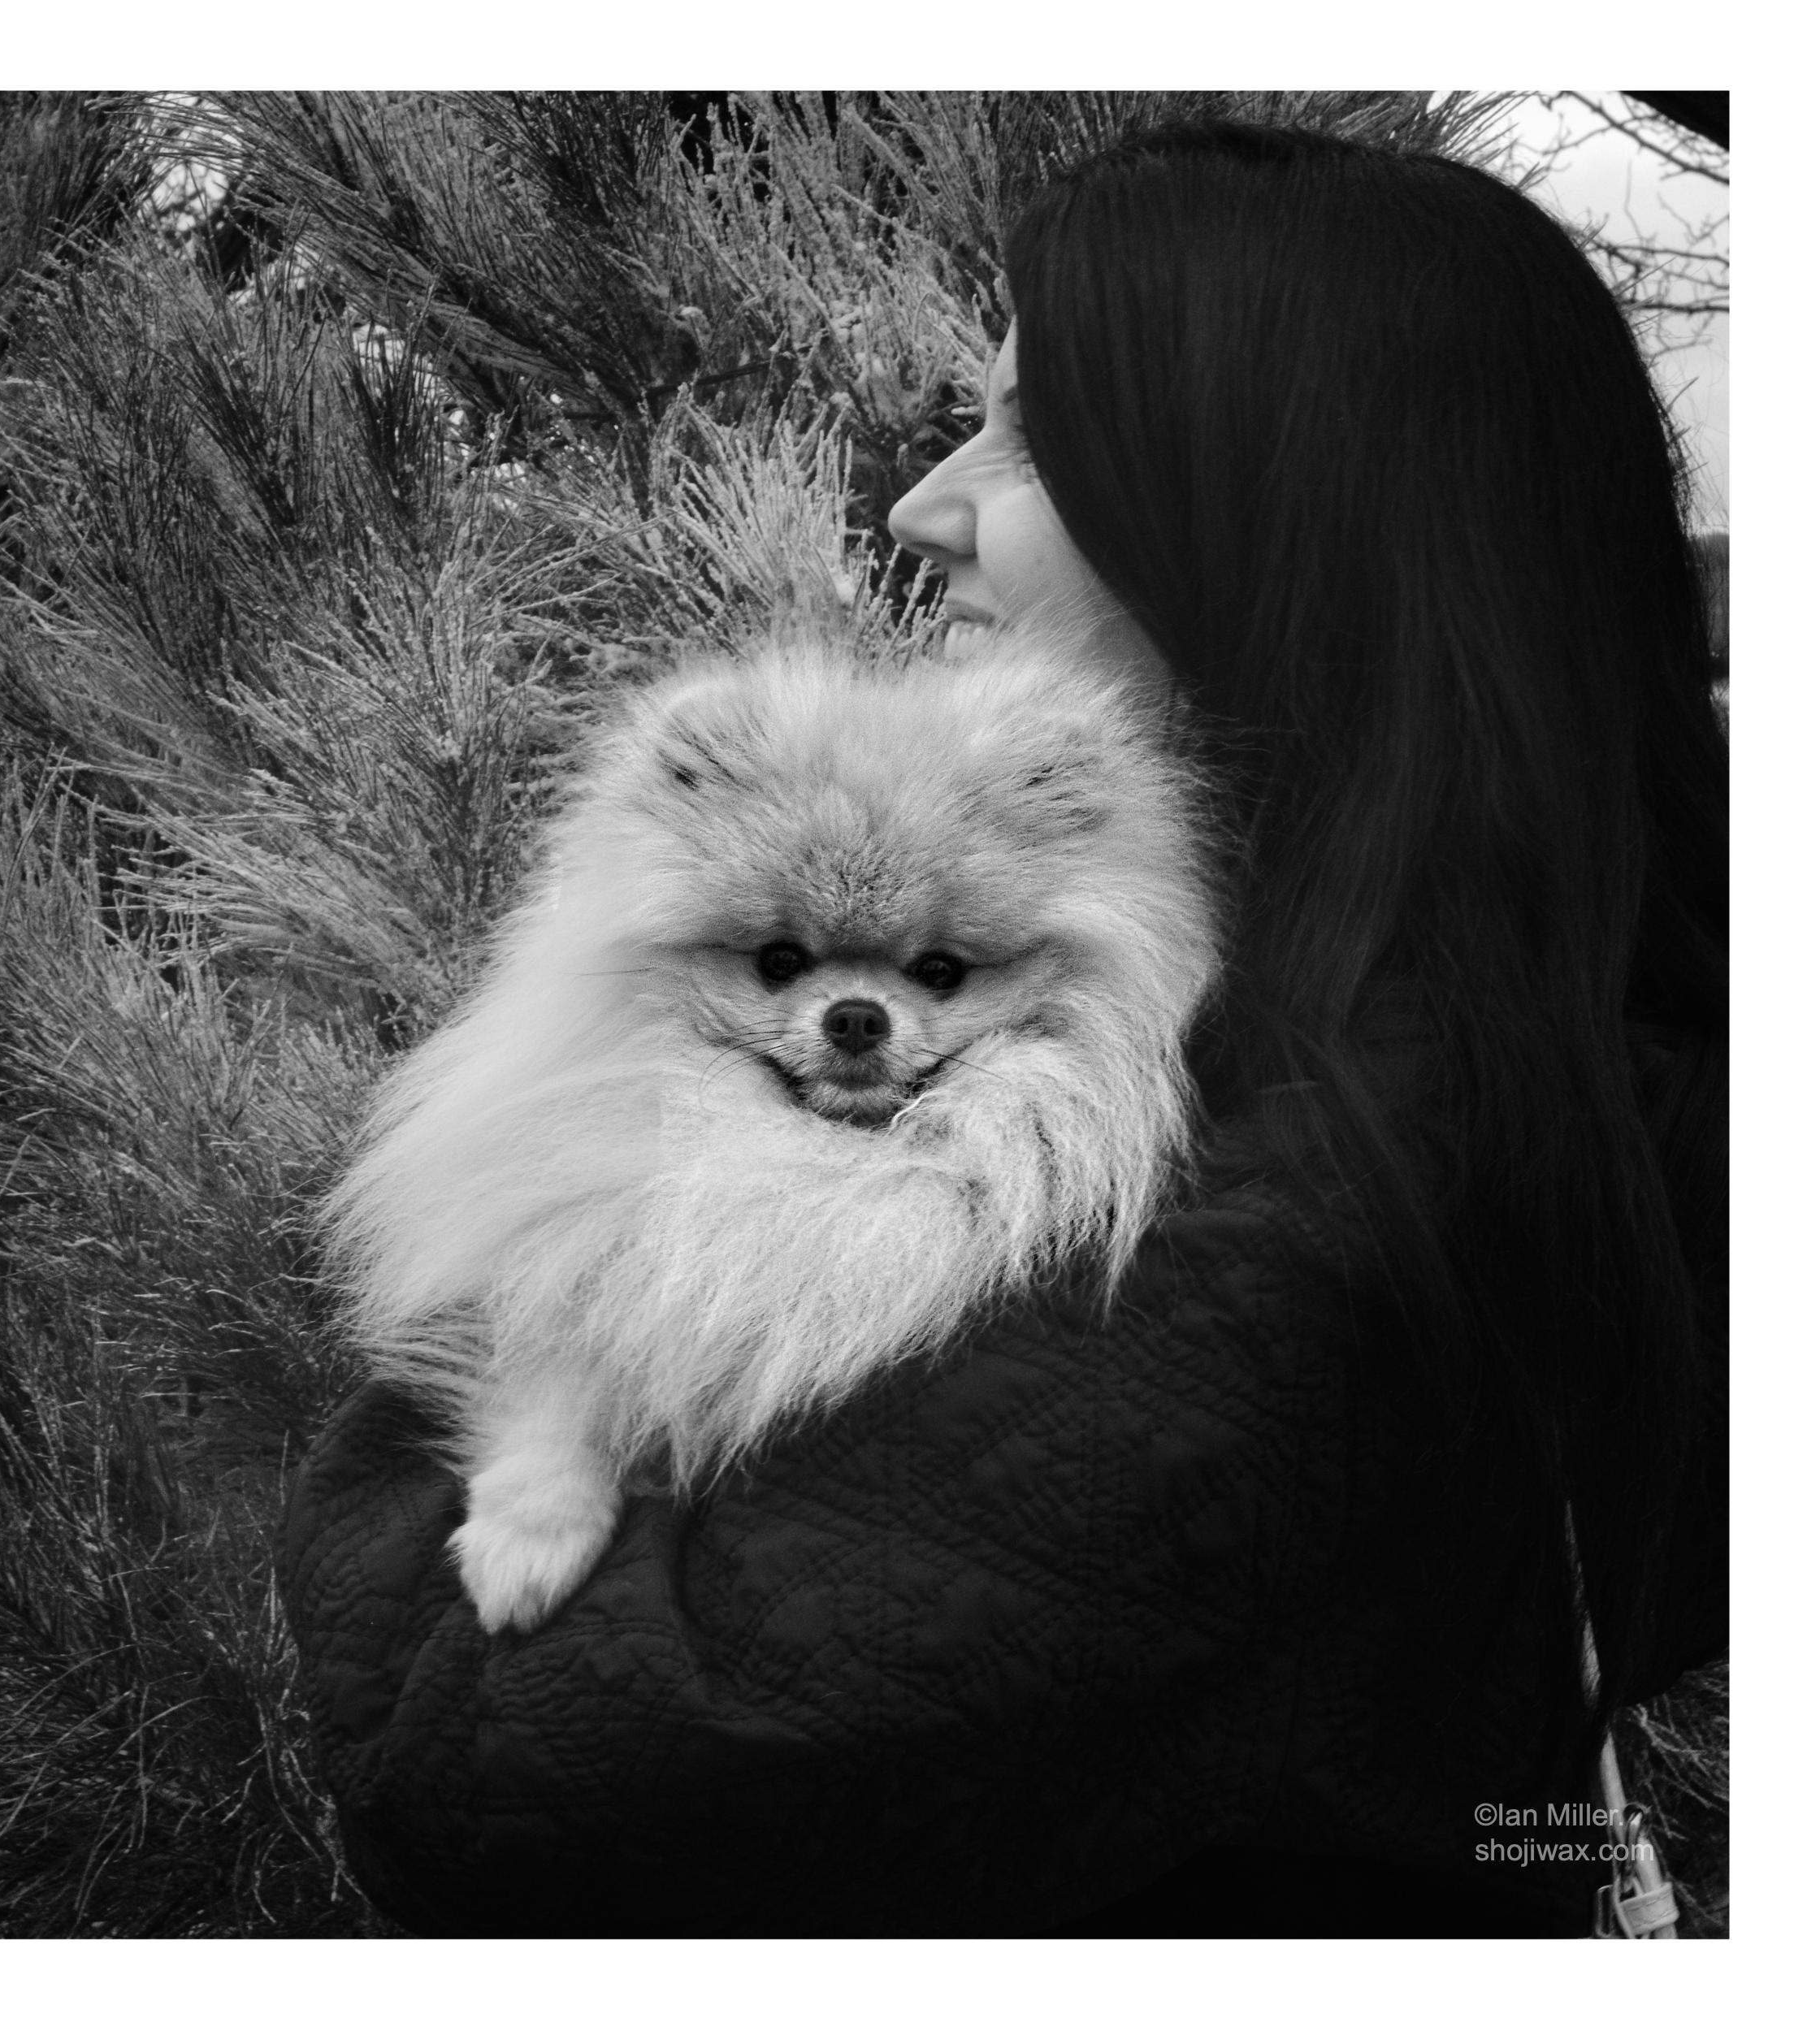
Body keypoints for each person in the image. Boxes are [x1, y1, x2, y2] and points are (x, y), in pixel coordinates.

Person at [279, 120, 1727, 1938]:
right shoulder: (1504, 1043)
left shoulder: (1318, 1195)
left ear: (1279, 496)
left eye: (1029, 433)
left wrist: (532, 1303)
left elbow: (490, 1754)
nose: (922, 504)